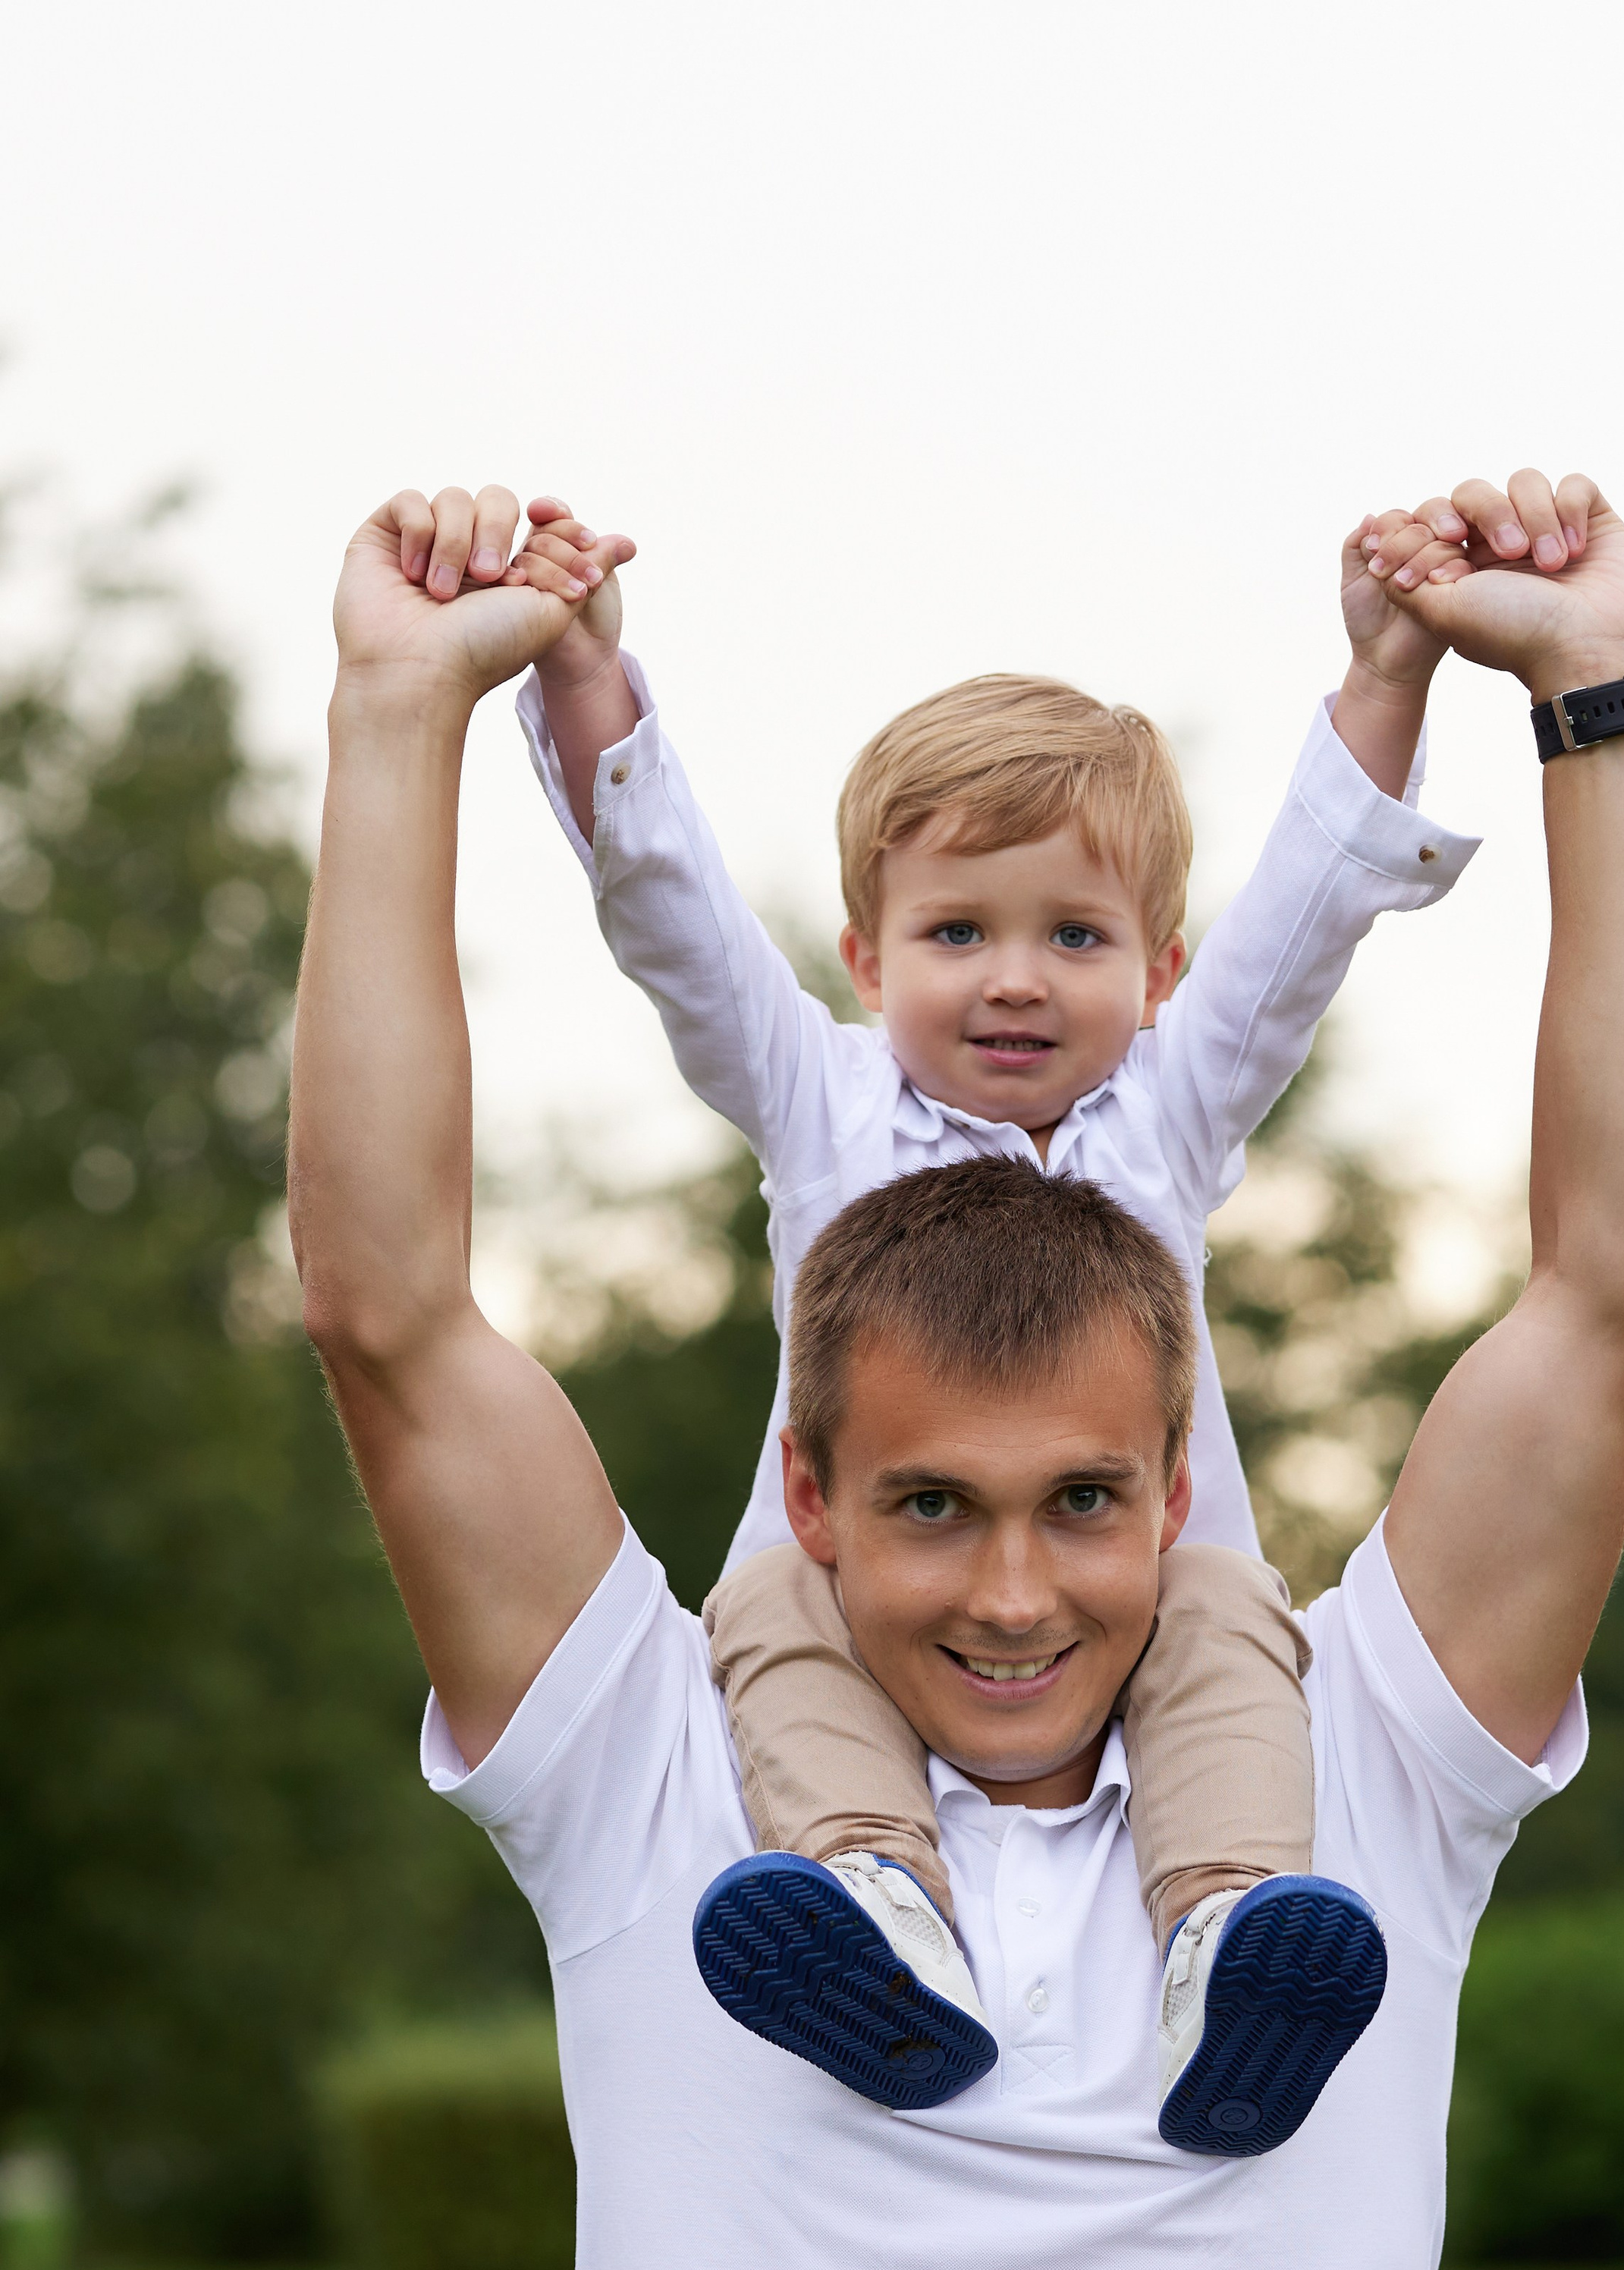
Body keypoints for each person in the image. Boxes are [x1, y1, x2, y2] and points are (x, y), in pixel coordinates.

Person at [288, 467, 1624, 2270]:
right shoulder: (670, 1788)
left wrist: (1604, 701)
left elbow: (1620, 1298)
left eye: (1083, 1501)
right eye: (932, 1506)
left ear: (1186, 1494)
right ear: (809, 1505)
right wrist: (401, 713)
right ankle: (886, 1921)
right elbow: (389, 1316)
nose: (1023, 1596)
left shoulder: (1351, 1775)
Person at [441, 476, 1520, 2149]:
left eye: (1070, 935)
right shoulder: (822, 1101)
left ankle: (1231, 1934)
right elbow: (671, 920)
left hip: (1132, 1591)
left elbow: (1303, 927)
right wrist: (582, 677)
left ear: (1158, 971)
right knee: (766, 1612)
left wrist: (1386, 675)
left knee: (1237, 1613)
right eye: (958, 931)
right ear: (867, 960)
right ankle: (872, 1912)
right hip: (872, 1595)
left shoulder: (1167, 1107)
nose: (1013, 976)